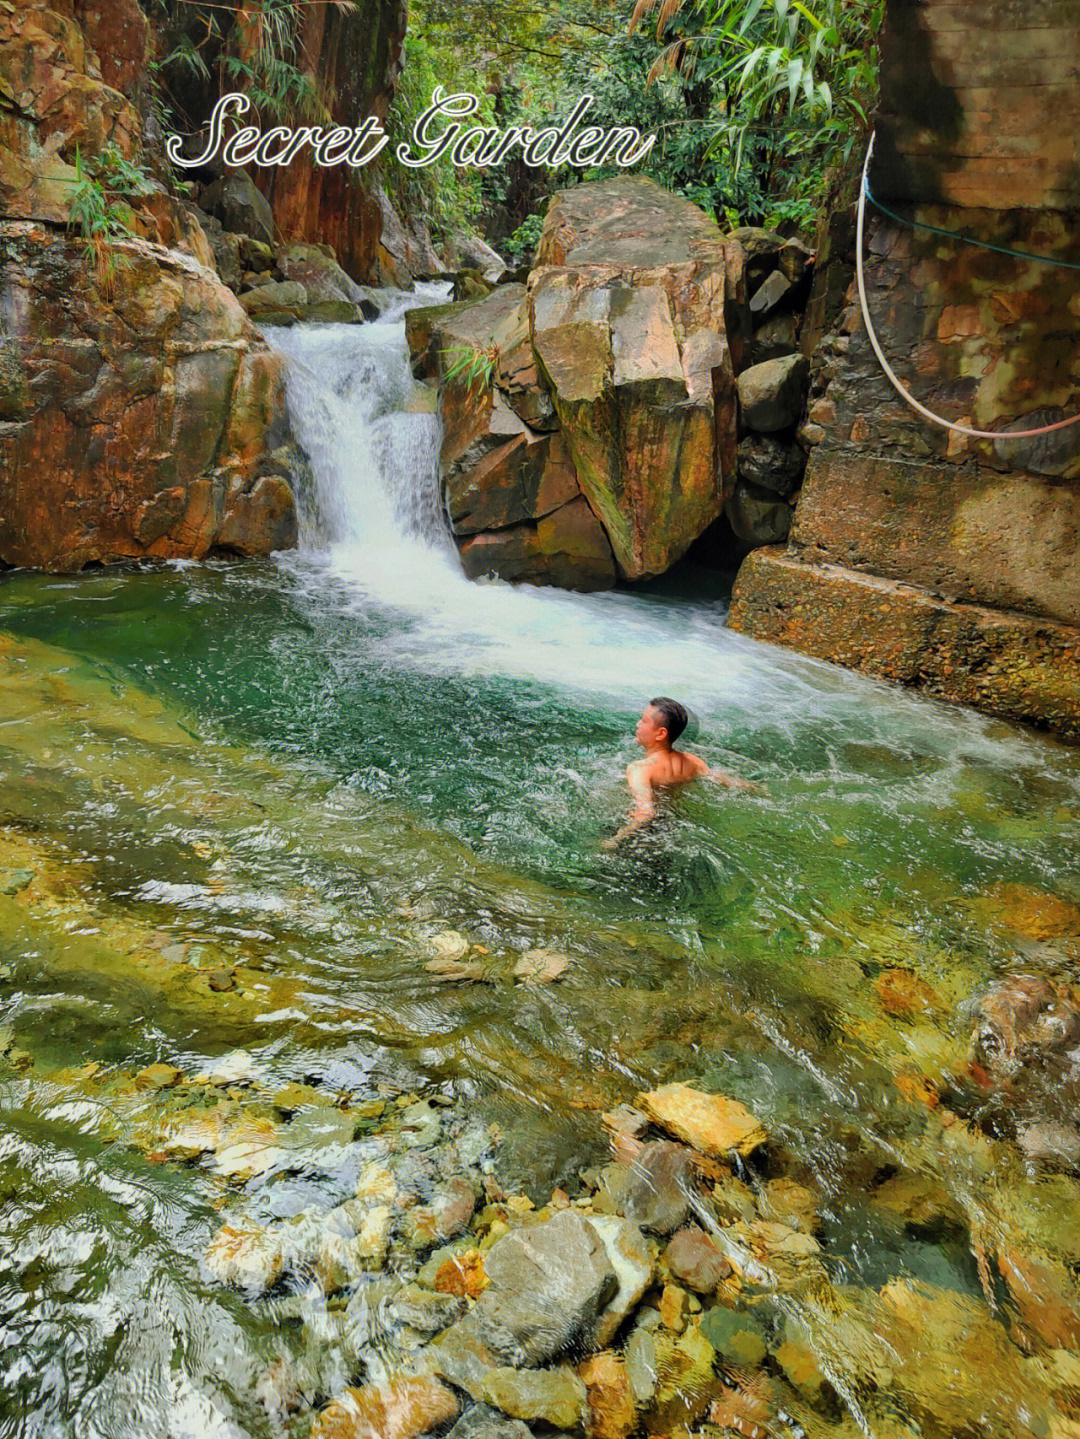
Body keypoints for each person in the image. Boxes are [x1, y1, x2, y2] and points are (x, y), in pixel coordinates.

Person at [601, 696, 761, 851]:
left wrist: (616, 839)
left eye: (644, 721)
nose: (638, 724)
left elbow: (646, 812)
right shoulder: (693, 761)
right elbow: (723, 779)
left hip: (643, 836)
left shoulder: (640, 769)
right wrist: (756, 788)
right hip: (671, 829)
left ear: (661, 734)